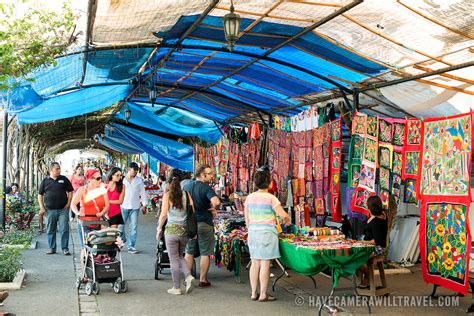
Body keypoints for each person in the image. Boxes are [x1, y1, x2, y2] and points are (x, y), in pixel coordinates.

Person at [244, 168, 291, 302]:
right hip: (267, 233)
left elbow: (247, 218)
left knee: (254, 262)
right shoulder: (271, 198)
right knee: (265, 263)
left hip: (253, 232)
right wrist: (287, 220)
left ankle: (254, 293)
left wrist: (251, 229)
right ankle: (263, 294)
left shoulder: (249, 198)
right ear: (268, 183)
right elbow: (283, 214)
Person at [156, 169, 195, 295]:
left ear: (169, 181)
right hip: (184, 231)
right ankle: (188, 276)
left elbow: (163, 215)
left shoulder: (167, 195)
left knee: (173, 259)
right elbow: (192, 211)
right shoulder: (187, 195)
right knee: (180, 256)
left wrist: (159, 229)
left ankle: (176, 287)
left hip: (171, 231)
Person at [183, 164, 221, 288]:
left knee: (189, 251)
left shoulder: (186, 186)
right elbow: (216, 202)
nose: (211, 176)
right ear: (203, 175)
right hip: (204, 222)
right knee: (205, 252)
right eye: (209, 174)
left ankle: (188, 278)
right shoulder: (206, 188)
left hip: (190, 223)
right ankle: (203, 280)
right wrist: (214, 208)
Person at [71, 168, 110, 264]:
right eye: (98, 178)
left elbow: (107, 205)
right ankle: (84, 272)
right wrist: (78, 213)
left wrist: (102, 213)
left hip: (98, 222)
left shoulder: (102, 190)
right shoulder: (82, 190)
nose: (100, 180)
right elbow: (73, 204)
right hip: (85, 222)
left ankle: (95, 269)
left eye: (101, 178)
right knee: (85, 247)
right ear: (90, 179)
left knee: (99, 247)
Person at [38, 162, 74, 255]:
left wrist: (68, 204)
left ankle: (65, 248)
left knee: (64, 229)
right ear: (51, 170)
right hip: (50, 210)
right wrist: (42, 207)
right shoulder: (45, 181)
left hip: (63, 209)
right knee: (50, 230)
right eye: (57, 169)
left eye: (59, 169)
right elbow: (40, 195)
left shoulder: (64, 179)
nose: (59, 170)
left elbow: (70, 191)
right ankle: (52, 248)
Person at [357, 195, 388, 288]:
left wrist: (363, 242)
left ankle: (367, 276)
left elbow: (376, 241)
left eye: (368, 206)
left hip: (377, 247)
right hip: (374, 245)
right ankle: (365, 279)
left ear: (371, 208)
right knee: (355, 256)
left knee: (355, 259)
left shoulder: (376, 222)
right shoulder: (383, 214)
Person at [119, 162, 147, 254]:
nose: (135, 172)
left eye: (136, 170)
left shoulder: (139, 181)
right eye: (133, 170)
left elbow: (142, 193)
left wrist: (144, 205)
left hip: (135, 207)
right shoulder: (122, 180)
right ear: (128, 169)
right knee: (120, 227)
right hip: (123, 206)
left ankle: (131, 246)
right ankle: (122, 240)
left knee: (133, 227)